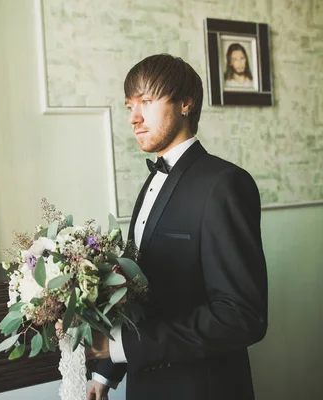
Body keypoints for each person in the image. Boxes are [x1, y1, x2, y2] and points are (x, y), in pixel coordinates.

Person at [85, 54, 268, 399]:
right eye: (129, 106)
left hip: (200, 387)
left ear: (186, 103)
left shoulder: (225, 184)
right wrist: (106, 374)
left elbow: (242, 316)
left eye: (147, 102)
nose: (134, 118)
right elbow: (138, 294)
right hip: (145, 385)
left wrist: (122, 348)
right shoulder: (153, 180)